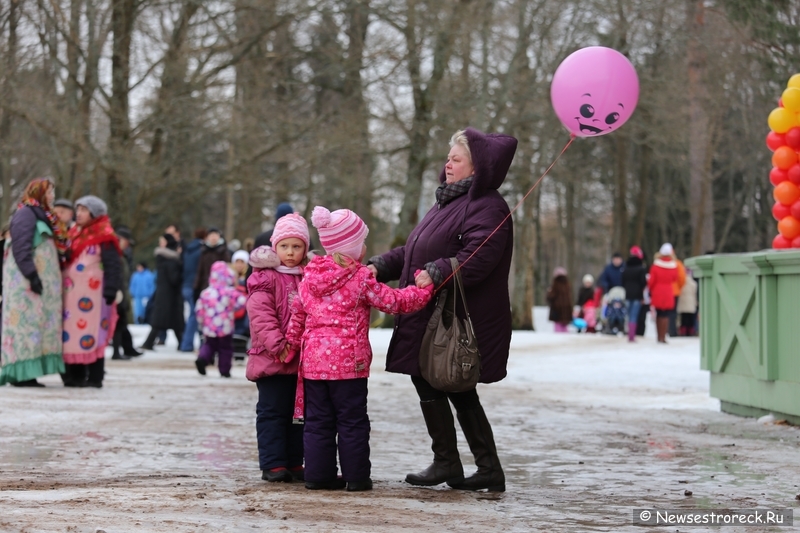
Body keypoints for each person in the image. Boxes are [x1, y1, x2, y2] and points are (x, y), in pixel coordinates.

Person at [368, 127, 517, 493]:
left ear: (476, 166)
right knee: (431, 378)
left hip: (461, 317)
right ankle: (457, 462)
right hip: (430, 311)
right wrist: (379, 266)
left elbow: (478, 259)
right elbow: (413, 251)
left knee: (453, 383)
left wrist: (438, 271)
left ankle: (477, 466)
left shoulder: (489, 206)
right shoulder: (446, 202)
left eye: (456, 159)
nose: (448, 164)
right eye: (447, 158)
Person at [286, 206, 433, 492]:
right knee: (352, 421)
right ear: (350, 247)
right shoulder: (359, 278)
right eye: (361, 242)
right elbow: (394, 302)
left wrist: (292, 343)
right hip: (348, 366)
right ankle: (356, 476)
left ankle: (318, 475)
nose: (365, 247)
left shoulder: (309, 278)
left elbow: (297, 315)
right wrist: (424, 290)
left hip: (314, 364)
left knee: (318, 421)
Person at [245, 213, 310, 483]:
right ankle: (272, 462)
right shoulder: (264, 278)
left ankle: (294, 461)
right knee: (272, 412)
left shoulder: (308, 276)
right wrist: (278, 346)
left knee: (297, 415)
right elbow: (261, 315)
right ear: (275, 248)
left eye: (296, 247)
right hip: (272, 358)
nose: (290, 253)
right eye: (284, 247)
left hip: (301, 360)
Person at [1, 179, 68, 387]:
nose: (52, 197)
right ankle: (21, 374)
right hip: (25, 285)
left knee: (35, 327)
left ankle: (30, 373)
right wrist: (32, 274)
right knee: (24, 326)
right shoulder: (25, 214)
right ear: (38, 192)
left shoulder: (44, 216)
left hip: (36, 287)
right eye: (49, 192)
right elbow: (21, 247)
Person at [62, 196, 123, 388]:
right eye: (77, 209)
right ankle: (75, 376)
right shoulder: (73, 233)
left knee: (92, 334)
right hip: (71, 297)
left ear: (94, 214)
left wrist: (111, 288)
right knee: (71, 335)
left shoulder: (104, 235)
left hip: (93, 297)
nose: (78, 214)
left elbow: (113, 264)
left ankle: (95, 376)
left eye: (83, 210)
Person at [194, 261, 247, 378]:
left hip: (210, 327)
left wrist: (201, 321)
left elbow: (199, 309)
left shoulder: (206, 292)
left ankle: (202, 359)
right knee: (225, 349)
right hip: (225, 327)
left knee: (209, 345)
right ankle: (224, 370)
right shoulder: (230, 292)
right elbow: (242, 303)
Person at [141, 234, 184, 350]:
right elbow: (174, 279)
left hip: (163, 294)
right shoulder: (172, 260)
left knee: (163, 320)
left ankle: (149, 343)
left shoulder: (162, 258)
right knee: (170, 321)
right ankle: (182, 344)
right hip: (169, 295)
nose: (160, 244)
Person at [111, 226, 142, 359]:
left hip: (122, 293)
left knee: (121, 323)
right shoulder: (115, 256)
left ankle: (125, 349)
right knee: (118, 323)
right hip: (117, 294)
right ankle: (117, 352)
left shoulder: (123, 256)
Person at [179, 227, 206, 351]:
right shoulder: (201, 250)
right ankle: (187, 344)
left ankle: (188, 343)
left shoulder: (188, 250)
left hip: (185, 285)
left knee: (193, 314)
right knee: (195, 315)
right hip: (194, 286)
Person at [648, 243, 679, 344]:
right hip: (668, 291)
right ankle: (664, 336)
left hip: (657, 291)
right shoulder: (674, 265)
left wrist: (651, 289)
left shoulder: (655, 265)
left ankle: (659, 336)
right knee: (666, 315)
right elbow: (675, 278)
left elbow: (651, 281)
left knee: (659, 313)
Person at [194, 228, 231, 302]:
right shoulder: (204, 251)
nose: (213, 238)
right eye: (211, 235)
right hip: (206, 284)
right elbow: (200, 270)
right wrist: (196, 286)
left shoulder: (224, 251)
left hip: (221, 287)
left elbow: (228, 269)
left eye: (215, 235)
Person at [621, 245, 647, 343]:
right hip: (637, 295)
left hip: (628, 294)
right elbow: (643, 282)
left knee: (628, 315)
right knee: (634, 315)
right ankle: (632, 336)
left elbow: (622, 281)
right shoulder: (641, 268)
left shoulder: (625, 268)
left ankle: (629, 334)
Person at [547, 267, 573, 333]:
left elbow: (551, 296)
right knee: (564, 325)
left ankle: (559, 337)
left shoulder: (555, 284)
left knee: (558, 325)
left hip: (557, 308)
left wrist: (549, 292)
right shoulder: (567, 284)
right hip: (567, 308)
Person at [231, 249, 250, 336]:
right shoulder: (229, 278)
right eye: (237, 262)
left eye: (242, 262)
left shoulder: (248, 278)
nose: (239, 265)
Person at [669, 253, 687, 338]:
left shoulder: (659, 264)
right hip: (674, 291)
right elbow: (682, 277)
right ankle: (672, 331)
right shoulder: (677, 264)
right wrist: (678, 287)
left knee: (663, 312)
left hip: (664, 291)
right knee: (673, 312)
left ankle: (664, 330)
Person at [678, 271, 698, 336]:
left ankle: (683, 331)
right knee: (691, 318)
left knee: (684, 318)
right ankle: (691, 331)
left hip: (682, 302)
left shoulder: (681, 283)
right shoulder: (693, 284)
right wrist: (696, 302)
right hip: (691, 302)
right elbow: (694, 293)